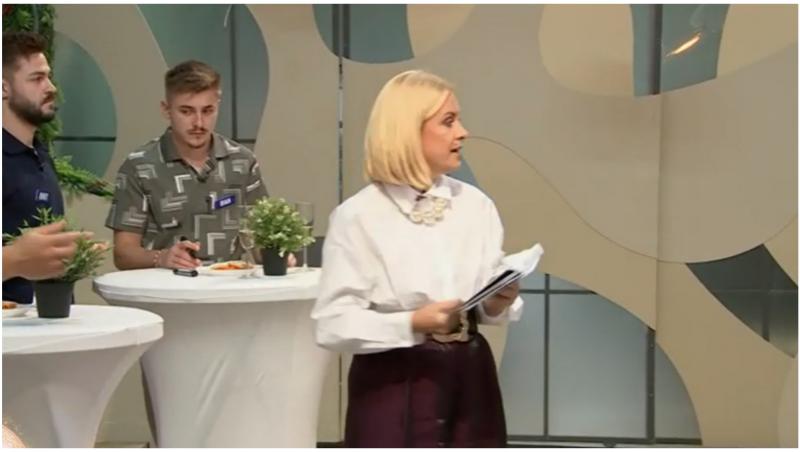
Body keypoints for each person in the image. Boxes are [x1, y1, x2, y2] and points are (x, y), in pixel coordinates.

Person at [311, 70, 523, 447]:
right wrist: (412, 323)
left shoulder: (476, 206)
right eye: (448, 121)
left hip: (471, 378)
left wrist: (498, 301)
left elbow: (485, 303)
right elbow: (333, 323)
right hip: (392, 381)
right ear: (408, 131)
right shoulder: (359, 216)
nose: (463, 132)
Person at [105, 60, 268, 270]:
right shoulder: (139, 167)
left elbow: (261, 239)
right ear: (166, 110)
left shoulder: (242, 162)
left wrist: (278, 255)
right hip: (165, 287)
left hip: (228, 285)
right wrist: (161, 258)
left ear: (218, 107)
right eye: (186, 111)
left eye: (207, 111)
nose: (199, 123)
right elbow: (123, 254)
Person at [2, 31, 65, 304]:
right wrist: (14, 259)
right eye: (37, 78)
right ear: (4, 88)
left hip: (48, 321)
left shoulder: (40, 154)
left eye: (48, 76)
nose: (50, 87)